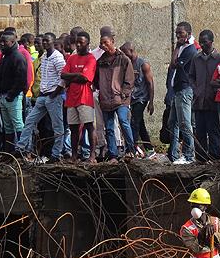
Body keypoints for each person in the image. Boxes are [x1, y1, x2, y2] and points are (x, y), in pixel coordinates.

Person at [17, 33, 66, 163]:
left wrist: (55, 93)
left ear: (52, 42)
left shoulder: (58, 57)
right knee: (29, 121)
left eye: (47, 41)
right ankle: (20, 148)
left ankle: (56, 154)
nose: (44, 43)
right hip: (42, 96)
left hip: (53, 96)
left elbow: (63, 78)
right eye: (43, 41)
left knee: (57, 127)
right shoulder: (44, 57)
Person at [95, 33, 135, 162]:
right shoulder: (100, 61)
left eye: (106, 42)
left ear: (112, 41)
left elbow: (129, 80)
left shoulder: (123, 60)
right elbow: (96, 80)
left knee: (124, 121)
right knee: (109, 127)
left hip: (121, 98)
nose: (103, 45)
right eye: (101, 43)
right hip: (106, 98)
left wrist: (124, 93)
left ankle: (131, 150)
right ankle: (113, 154)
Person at [62, 31, 97, 163]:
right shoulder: (72, 58)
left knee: (89, 126)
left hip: (84, 97)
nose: (78, 45)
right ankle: (74, 156)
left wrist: (72, 76)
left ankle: (92, 155)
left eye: (81, 43)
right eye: (76, 42)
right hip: (71, 98)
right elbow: (63, 74)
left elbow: (85, 78)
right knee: (73, 128)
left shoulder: (91, 58)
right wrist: (77, 75)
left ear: (87, 43)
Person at [180, 188, 220, 258]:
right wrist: (201, 236)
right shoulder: (187, 228)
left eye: (198, 205)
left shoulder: (216, 222)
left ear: (205, 207)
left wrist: (214, 234)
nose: (195, 209)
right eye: (193, 205)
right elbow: (195, 249)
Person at [190, 29, 220, 162]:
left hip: (213, 101)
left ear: (211, 42)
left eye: (205, 42)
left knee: (214, 130)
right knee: (200, 132)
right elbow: (191, 76)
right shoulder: (196, 58)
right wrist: (195, 89)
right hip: (199, 101)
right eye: (201, 42)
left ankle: (215, 157)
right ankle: (201, 158)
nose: (202, 45)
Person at [167, 21, 198, 165]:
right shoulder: (181, 48)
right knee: (173, 122)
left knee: (185, 123)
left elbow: (174, 64)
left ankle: (189, 155)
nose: (178, 36)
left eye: (181, 33)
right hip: (177, 90)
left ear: (189, 34)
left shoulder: (190, 50)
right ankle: (174, 154)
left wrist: (178, 46)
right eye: (177, 33)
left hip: (185, 90)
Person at [120, 42, 155, 158]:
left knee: (134, 122)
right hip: (132, 98)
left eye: (125, 53)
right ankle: (150, 149)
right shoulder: (127, 64)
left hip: (142, 98)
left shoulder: (143, 64)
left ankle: (131, 149)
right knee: (140, 124)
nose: (124, 56)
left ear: (131, 50)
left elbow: (150, 83)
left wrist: (151, 102)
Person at [0, 30, 28, 152]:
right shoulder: (5, 57)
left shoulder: (18, 57)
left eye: (5, 42)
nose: (2, 44)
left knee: (18, 124)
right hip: (3, 96)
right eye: (1, 41)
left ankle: (23, 151)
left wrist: (11, 95)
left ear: (13, 42)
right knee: (7, 126)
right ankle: (9, 152)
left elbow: (21, 80)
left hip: (13, 97)